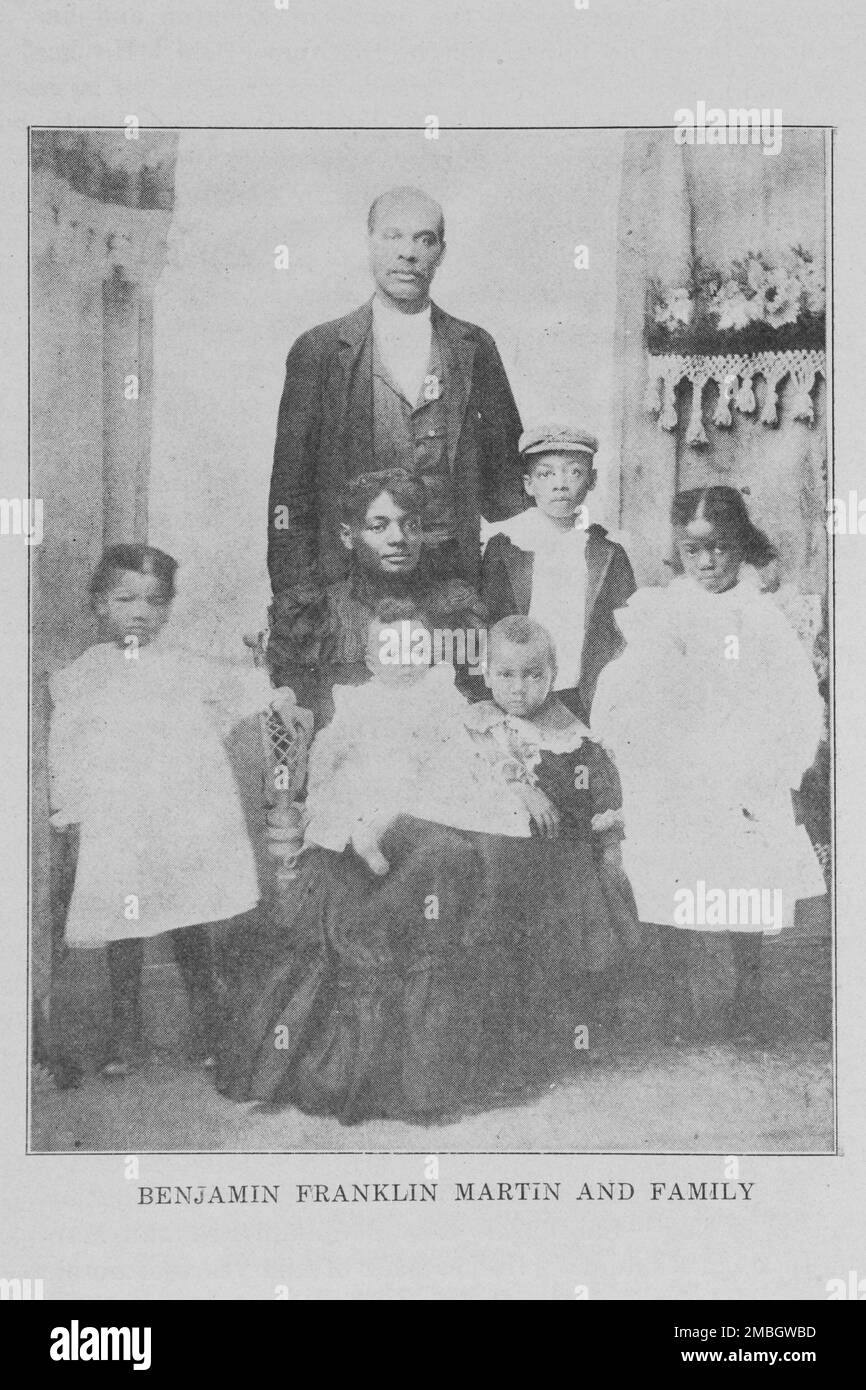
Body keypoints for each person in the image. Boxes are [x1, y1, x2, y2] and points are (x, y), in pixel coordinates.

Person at [216, 602, 532, 1124]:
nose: (403, 658)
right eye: (389, 648)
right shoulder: (359, 701)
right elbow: (328, 755)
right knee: (355, 837)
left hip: (425, 803)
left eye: (414, 646)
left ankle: (432, 1061)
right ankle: (366, 844)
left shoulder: (442, 694)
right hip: (366, 795)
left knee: (449, 846)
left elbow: (467, 750)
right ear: (369, 655)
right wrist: (323, 785)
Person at [48, 544, 294, 1075]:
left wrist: (263, 670)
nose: (141, 611)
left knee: (190, 923)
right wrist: (70, 814)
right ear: (99, 604)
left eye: (156, 601)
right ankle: (123, 1037)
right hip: (123, 823)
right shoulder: (83, 675)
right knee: (125, 928)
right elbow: (66, 746)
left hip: (182, 820)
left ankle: (206, 1032)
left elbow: (245, 696)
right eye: (126, 598)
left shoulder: (184, 666)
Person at [592, 487, 826, 1043]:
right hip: (679, 766)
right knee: (675, 870)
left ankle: (747, 993)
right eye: (694, 550)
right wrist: (631, 726)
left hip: (742, 763)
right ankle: (675, 994)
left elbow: (795, 694)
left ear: (740, 546)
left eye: (719, 549)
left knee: (742, 876)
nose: (707, 562)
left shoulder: (760, 615)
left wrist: (779, 761)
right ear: (681, 549)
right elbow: (628, 681)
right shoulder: (665, 607)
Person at [267, 185, 524, 596]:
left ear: (441, 251)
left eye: (425, 239)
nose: (409, 253)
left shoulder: (475, 347)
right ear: (369, 242)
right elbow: (289, 493)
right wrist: (295, 603)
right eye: (393, 236)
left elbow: (508, 483)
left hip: (451, 584)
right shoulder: (319, 350)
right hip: (348, 587)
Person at [465, 616, 640, 1082]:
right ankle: (505, 1042)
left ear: (553, 673)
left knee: (574, 941)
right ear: (486, 673)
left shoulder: (571, 735)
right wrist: (521, 788)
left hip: (559, 855)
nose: (519, 689)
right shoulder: (480, 725)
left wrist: (608, 846)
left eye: (533, 674)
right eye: (506, 675)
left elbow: (602, 790)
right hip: (496, 853)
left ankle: (573, 1038)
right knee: (500, 941)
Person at [267, 468, 487, 725]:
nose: (399, 539)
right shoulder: (319, 613)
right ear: (348, 536)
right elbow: (295, 704)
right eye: (379, 527)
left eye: (411, 525)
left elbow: (479, 694)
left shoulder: (455, 608)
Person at [481, 425, 636, 721]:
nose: (560, 484)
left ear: (592, 481)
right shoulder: (506, 546)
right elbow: (489, 622)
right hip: (520, 690)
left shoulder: (608, 552)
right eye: (546, 474)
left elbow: (623, 631)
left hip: (582, 693)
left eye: (574, 472)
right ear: (528, 484)